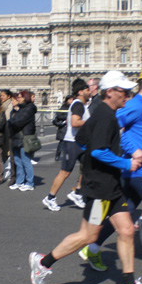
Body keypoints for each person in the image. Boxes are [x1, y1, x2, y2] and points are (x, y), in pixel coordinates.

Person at [29, 70, 142, 284]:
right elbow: (98, 150)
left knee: (127, 230)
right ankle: (43, 263)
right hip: (100, 189)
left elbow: (82, 140)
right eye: (124, 91)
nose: (128, 95)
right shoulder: (105, 116)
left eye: (130, 91)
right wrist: (126, 163)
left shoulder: (103, 113)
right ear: (110, 92)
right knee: (88, 236)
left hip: (110, 185)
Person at [80, 65, 142, 277]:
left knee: (121, 214)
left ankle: (92, 248)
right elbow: (113, 128)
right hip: (139, 170)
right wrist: (133, 150)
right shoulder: (136, 104)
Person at [42, 78, 90, 211]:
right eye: (87, 89)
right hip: (72, 142)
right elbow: (75, 122)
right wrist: (91, 123)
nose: (90, 91)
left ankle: (77, 193)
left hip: (80, 142)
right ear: (80, 92)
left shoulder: (81, 105)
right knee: (65, 172)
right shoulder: (78, 105)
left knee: (87, 168)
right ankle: (50, 198)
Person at [8, 90, 37, 191]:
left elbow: (18, 122)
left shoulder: (29, 109)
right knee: (17, 161)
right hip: (17, 137)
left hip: (24, 137)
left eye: (19, 97)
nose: (18, 99)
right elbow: (14, 121)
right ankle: (20, 181)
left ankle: (30, 182)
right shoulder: (21, 109)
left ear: (25, 98)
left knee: (25, 160)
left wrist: (10, 122)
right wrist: (12, 122)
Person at [0, 89, 15, 182]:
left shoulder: (9, 105)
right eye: (1, 95)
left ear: (8, 96)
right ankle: (5, 169)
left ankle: (9, 171)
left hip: (7, 131)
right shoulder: (3, 105)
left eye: (3, 95)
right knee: (4, 152)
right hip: (3, 131)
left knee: (8, 151)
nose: (1, 97)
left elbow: (7, 119)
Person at [52, 95, 73, 161]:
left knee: (69, 143)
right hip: (63, 127)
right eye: (70, 99)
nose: (71, 101)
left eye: (72, 99)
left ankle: (67, 156)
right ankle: (57, 155)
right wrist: (66, 118)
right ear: (67, 100)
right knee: (62, 143)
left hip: (69, 127)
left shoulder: (72, 107)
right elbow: (59, 116)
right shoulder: (63, 107)